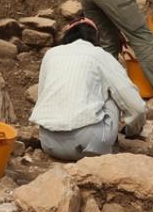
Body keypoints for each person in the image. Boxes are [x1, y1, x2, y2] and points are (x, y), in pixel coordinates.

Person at [29, 18, 147, 161]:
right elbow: (136, 106)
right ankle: (108, 145)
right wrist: (132, 130)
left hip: (49, 144)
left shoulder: (51, 54)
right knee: (113, 91)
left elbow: (42, 96)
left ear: (68, 35)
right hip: (89, 146)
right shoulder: (100, 55)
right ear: (95, 37)